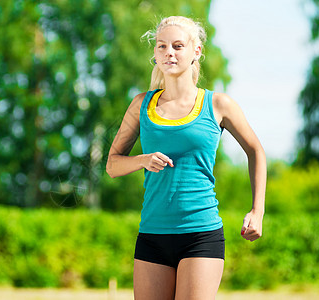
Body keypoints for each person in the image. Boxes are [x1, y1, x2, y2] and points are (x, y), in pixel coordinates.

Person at [106, 16, 266, 300]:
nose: (169, 52)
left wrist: (257, 211)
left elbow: (255, 151)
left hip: (201, 235)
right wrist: (142, 160)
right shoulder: (140, 105)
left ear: (197, 51)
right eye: (162, 46)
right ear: (155, 54)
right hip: (152, 236)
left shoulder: (217, 104)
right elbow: (113, 165)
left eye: (178, 46)